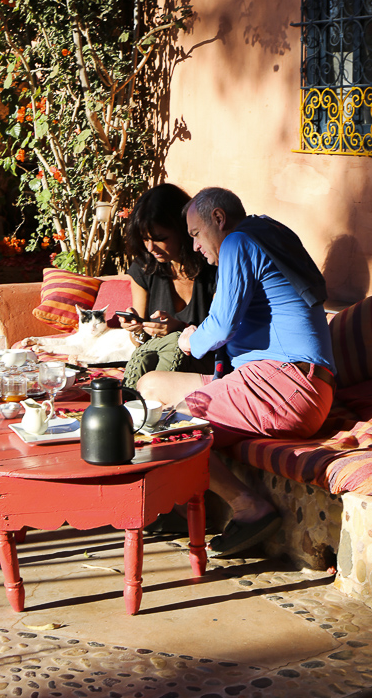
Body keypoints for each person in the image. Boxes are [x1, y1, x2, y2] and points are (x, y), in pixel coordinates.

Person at [138, 186, 336, 557]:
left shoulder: (238, 241)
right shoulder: (271, 231)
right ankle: (179, 507)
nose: (195, 246)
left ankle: (249, 506)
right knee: (151, 386)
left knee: (168, 428)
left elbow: (222, 326)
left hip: (284, 384)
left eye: (196, 234)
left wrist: (189, 341)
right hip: (293, 384)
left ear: (218, 218)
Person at [120, 184, 217, 388]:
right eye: (145, 239)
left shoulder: (213, 266)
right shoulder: (144, 268)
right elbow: (140, 343)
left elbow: (222, 336)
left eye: (160, 239)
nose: (150, 248)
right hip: (157, 369)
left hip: (206, 369)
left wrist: (181, 329)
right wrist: (137, 329)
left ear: (184, 229)